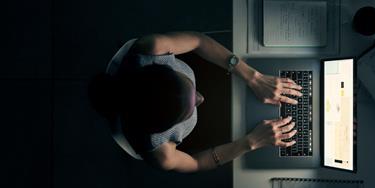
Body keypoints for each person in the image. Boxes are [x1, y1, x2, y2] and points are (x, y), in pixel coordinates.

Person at [88, 31, 302, 173]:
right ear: (165, 130)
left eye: (190, 89)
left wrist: (253, 76)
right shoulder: (160, 152)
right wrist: (249, 143)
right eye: (187, 111)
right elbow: (198, 162)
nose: (202, 98)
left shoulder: (151, 49)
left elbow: (199, 41)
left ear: (166, 66)